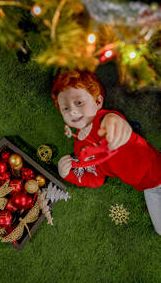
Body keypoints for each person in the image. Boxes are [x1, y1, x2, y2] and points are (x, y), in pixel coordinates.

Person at [52, 68, 161, 235]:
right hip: (147, 187)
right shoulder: (79, 147)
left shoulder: (104, 119)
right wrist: (68, 174)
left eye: (79, 102)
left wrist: (115, 122)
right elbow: (97, 178)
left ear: (97, 102)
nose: (72, 111)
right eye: (65, 109)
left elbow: (115, 121)